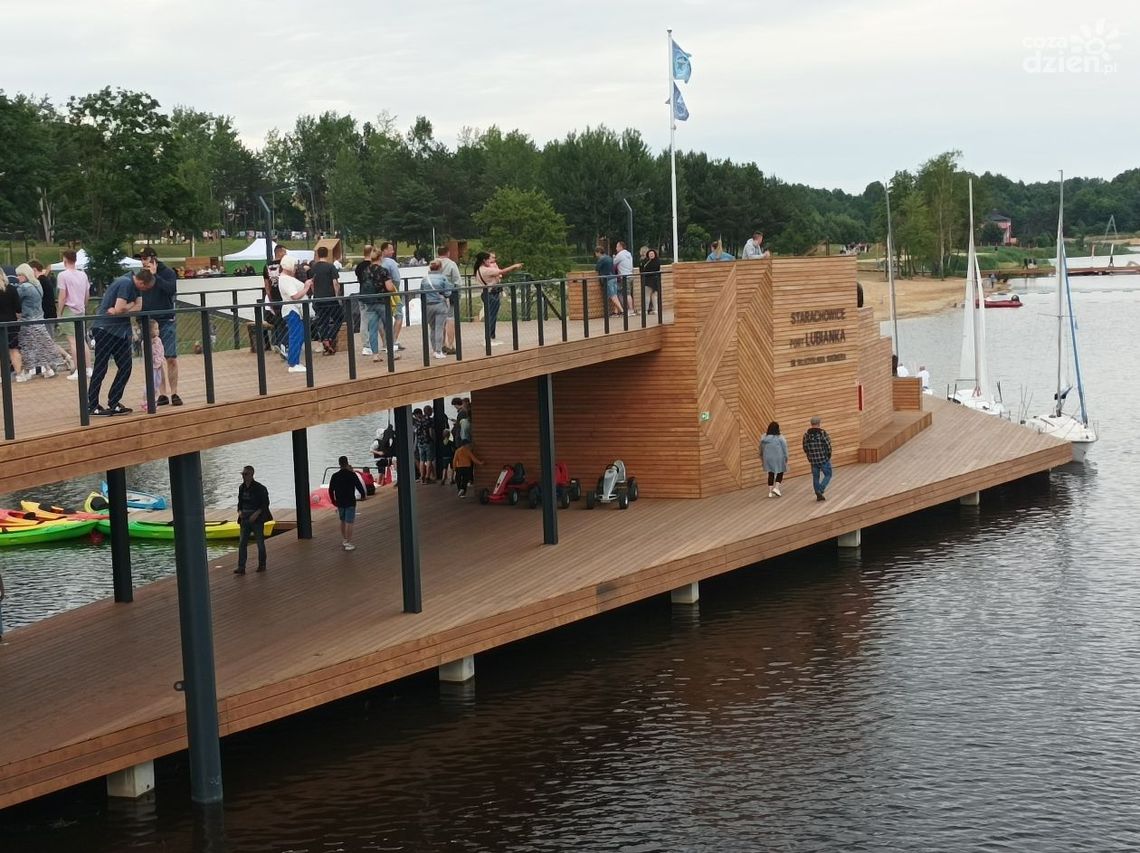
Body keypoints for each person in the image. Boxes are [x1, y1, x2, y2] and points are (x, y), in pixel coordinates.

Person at [88, 268, 154, 416]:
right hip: (105, 329)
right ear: (141, 282)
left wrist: (127, 306)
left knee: (126, 366)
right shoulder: (125, 283)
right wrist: (127, 306)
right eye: (146, 288)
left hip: (120, 332)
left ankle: (114, 401)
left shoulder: (136, 286)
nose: (145, 291)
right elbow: (118, 308)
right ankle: (91, 404)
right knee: (101, 367)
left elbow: (137, 306)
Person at [14, 263, 70, 381]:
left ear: (24, 274)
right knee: (42, 345)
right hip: (39, 319)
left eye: (19, 275)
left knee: (27, 346)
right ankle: (49, 368)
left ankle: (27, 371)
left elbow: (15, 300)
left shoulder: (24, 288)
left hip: (27, 321)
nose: (17, 277)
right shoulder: (37, 284)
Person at [139, 247, 181, 405]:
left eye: (145, 258)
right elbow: (140, 296)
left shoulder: (168, 272)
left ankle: (174, 393)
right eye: (141, 259)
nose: (143, 261)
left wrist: (155, 275)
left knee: (171, 357)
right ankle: (162, 393)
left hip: (166, 319)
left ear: (153, 258)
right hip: (149, 321)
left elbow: (171, 290)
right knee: (156, 361)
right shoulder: (142, 275)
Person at [472, 250, 522, 346]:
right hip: (491, 294)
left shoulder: (479, 269)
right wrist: (514, 266)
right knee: (491, 316)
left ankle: (490, 337)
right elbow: (502, 272)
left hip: (487, 294)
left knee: (491, 315)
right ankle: (488, 338)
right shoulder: (485, 270)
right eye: (488, 260)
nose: (490, 262)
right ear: (484, 260)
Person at [56, 250, 92, 379]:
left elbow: (62, 296)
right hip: (80, 310)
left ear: (65, 259)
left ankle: (78, 370)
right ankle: (88, 368)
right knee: (82, 340)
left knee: (73, 342)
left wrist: (59, 313)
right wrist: (83, 306)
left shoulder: (62, 275)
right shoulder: (83, 275)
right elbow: (87, 294)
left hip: (68, 310)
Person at [234, 465, 272, 574]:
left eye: (246, 474)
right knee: (242, 544)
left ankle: (262, 564)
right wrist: (239, 511)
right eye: (243, 474)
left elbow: (265, 504)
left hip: (256, 519)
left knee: (260, 542)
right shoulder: (241, 488)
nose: (243, 476)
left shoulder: (260, 488)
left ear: (251, 474)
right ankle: (241, 567)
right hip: (244, 518)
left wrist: (256, 513)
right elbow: (239, 503)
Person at [277, 255, 312, 374]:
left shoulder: (285, 278)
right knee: (296, 336)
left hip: (293, 310)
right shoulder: (285, 279)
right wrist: (306, 287)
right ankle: (293, 363)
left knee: (297, 335)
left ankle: (294, 361)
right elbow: (295, 296)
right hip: (292, 310)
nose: (296, 268)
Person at [328, 455, 367, 551]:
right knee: (350, 522)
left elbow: (330, 490)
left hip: (340, 502)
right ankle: (348, 542)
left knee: (342, 521)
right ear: (347, 463)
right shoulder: (352, 475)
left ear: (339, 464)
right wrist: (363, 496)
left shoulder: (335, 476)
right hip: (350, 501)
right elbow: (359, 486)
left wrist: (333, 500)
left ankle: (344, 539)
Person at [309, 246, 341, 354]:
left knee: (322, 321)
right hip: (330, 298)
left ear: (317, 254)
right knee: (339, 318)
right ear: (327, 254)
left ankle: (325, 339)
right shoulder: (331, 267)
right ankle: (330, 337)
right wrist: (336, 295)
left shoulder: (313, 268)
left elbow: (311, 284)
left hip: (318, 299)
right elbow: (335, 283)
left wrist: (315, 293)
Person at [423, 259, 453, 359]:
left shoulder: (425, 279)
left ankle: (434, 349)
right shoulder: (443, 278)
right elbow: (448, 293)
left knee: (432, 328)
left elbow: (421, 292)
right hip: (440, 305)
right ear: (440, 267)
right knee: (439, 327)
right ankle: (439, 351)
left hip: (428, 305)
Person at [379, 242, 405, 351]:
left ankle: (385, 342)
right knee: (399, 316)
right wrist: (395, 291)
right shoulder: (391, 263)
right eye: (390, 249)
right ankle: (393, 341)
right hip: (392, 293)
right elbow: (397, 279)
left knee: (382, 319)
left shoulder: (376, 263)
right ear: (384, 250)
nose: (393, 251)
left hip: (380, 295)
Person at [802, 415, 833, 501]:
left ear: (811, 424)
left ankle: (817, 492)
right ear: (819, 424)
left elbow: (805, 448)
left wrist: (810, 457)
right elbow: (828, 446)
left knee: (816, 477)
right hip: (823, 459)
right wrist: (828, 456)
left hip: (813, 460)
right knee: (828, 475)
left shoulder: (806, 435)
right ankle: (821, 489)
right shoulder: (822, 433)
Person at [760, 421, 789, 498]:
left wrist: (761, 456)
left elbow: (761, 448)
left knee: (771, 473)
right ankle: (776, 488)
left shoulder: (764, 437)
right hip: (778, 457)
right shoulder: (780, 437)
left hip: (767, 457)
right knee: (781, 471)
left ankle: (770, 492)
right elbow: (784, 448)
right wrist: (786, 457)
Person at [147, 320, 166, 410]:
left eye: (158, 328)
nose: (158, 330)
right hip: (152, 366)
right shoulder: (147, 341)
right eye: (155, 329)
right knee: (151, 383)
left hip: (159, 365)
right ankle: (146, 400)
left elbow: (161, 351)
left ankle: (153, 400)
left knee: (158, 382)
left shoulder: (159, 340)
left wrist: (162, 360)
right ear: (150, 331)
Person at [594, 246, 619, 316]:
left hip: (608, 279)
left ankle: (622, 311)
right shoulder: (609, 257)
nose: (596, 255)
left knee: (612, 296)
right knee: (615, 295)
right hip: (614, 277)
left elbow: (597, 268)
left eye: (596, 253)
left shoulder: (601, 259)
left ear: (598, 252)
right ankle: (615, 311)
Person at [613, 241, 635, 313]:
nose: (616, 248)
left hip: (625, 276)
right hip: (630, 275)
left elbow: (613, 263)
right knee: (628, 293)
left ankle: (631, 310)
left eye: (617, 246)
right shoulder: (628, 254)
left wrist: (613, 257)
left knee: (627, 294)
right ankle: (628, 309)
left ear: (620, 247)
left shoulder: (620, 255)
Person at [640, 248, 662, 314]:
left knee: (649, 295)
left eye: (652, 254)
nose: (651, 255)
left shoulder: (648, 262)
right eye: (650, 254)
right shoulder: (656, 261)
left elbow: (643, 270)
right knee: (653, 295)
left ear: (655, 254)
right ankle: (655, 310)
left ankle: (646, 310)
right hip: (655, 280)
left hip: (649, 280)